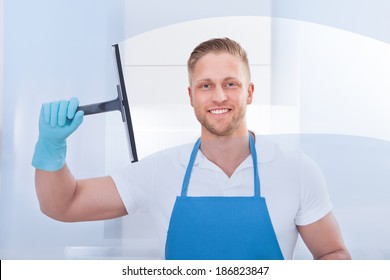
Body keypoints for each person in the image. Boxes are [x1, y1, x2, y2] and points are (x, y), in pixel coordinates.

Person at [32, 37, 351, 260]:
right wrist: (51, 147)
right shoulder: (160, 171)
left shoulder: (296, 170)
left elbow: (333, 254)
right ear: (191, 96)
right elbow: (64, 204)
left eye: (231, 84)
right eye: (206, 86)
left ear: (249, 92)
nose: (219, 97)